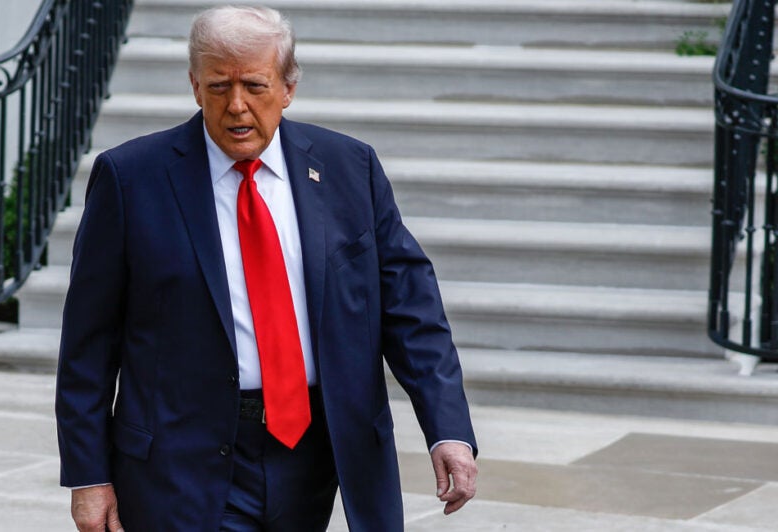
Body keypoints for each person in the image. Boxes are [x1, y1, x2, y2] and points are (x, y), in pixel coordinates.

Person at [55, 5, 478, 531]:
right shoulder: (130, 178)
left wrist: (448, 430)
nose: (236, 107)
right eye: (217, 87)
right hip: (178, 460)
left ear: (289, 86)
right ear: (193, 85)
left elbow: (412, 310)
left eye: (254, 86)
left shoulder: (350, 168)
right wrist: (88, 476)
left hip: (314, 455)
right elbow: (88, 345)